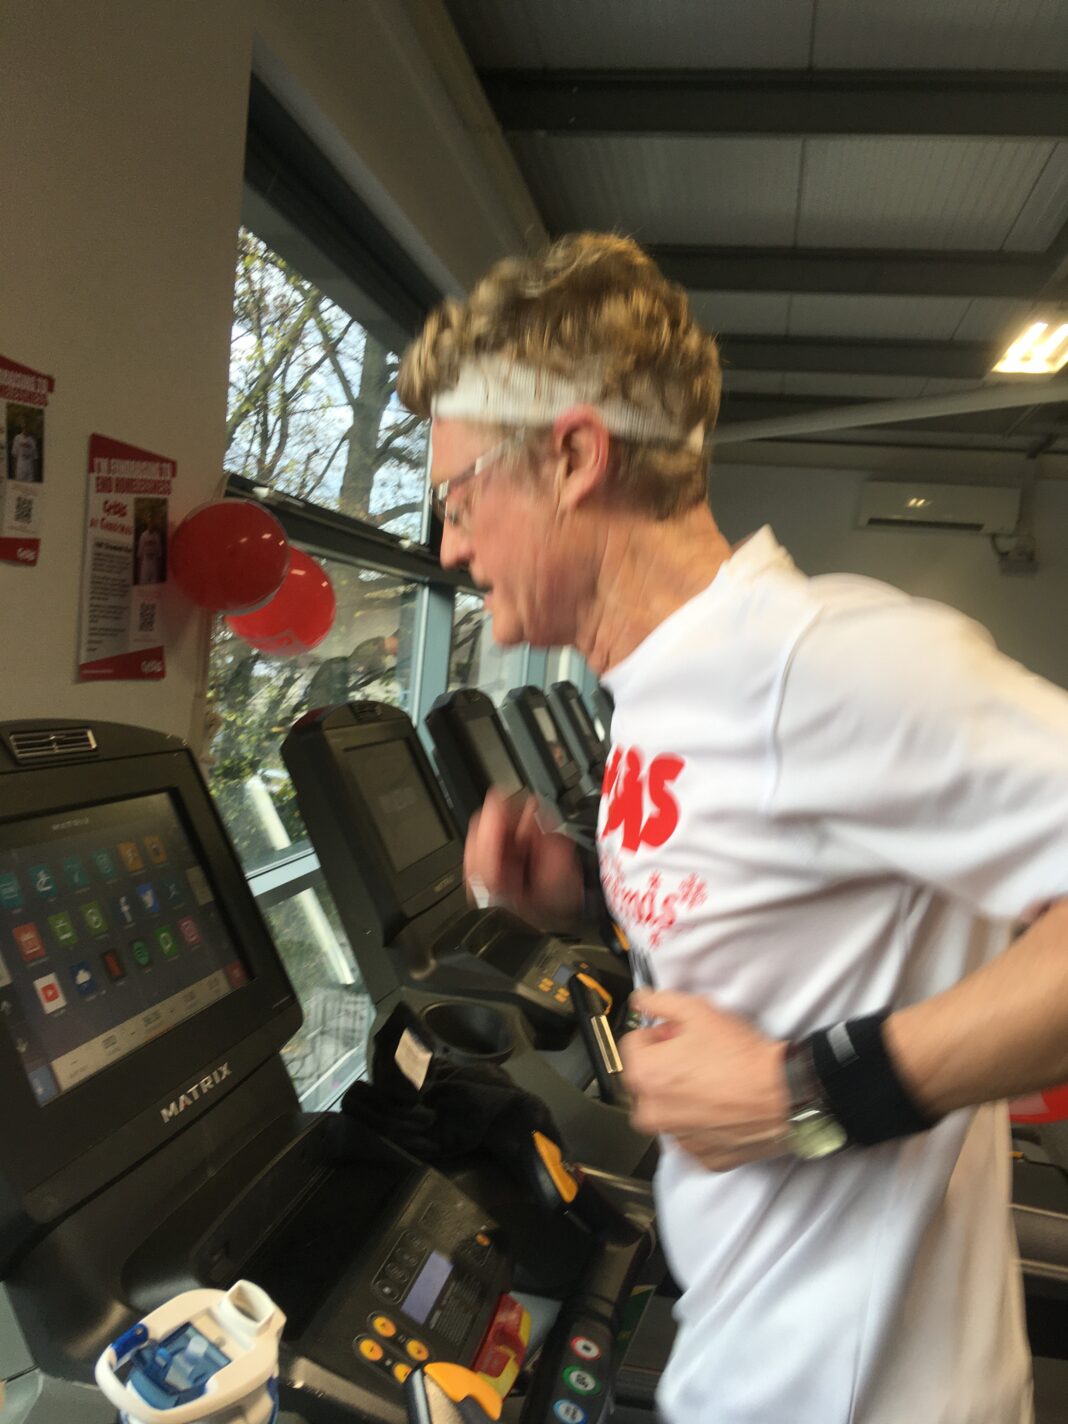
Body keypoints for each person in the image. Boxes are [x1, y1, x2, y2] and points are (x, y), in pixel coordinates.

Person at [397, 232, 1068, 1424]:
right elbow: (781, 912)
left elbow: (795, 1070)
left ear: (573, 457)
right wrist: (583, 892)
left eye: (459, 495)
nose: (448, 543)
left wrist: (801, 1094)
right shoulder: (668, 688)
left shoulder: (820, 661)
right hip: (743, 1360)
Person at [9, 416, 40, 483]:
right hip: (19, 471)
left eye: (27, 425)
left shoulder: (33, 440)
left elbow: (35, 459)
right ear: (22, 425)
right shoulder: (17, 438)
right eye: (24, 424)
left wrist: (35, 475)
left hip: (30, 473)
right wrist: (13, 472)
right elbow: (14, 456)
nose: (25, 427)